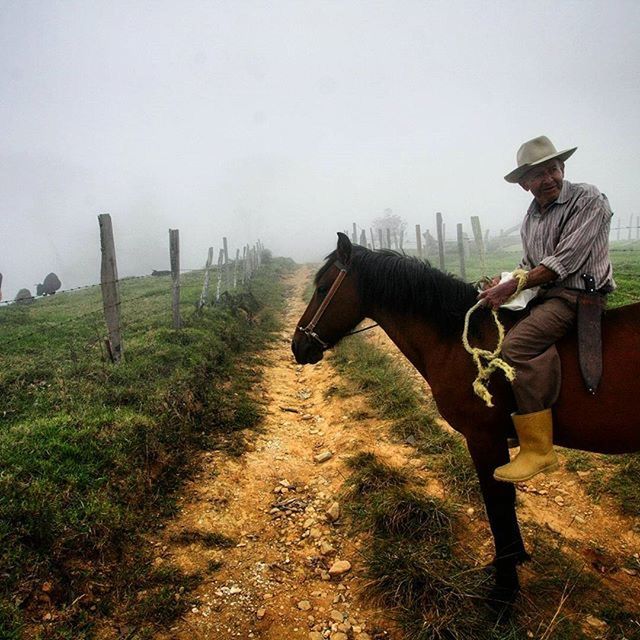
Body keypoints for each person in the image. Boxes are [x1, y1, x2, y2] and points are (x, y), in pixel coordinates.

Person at [478, 135, 615, 483]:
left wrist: (514, 285)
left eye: (553, 169)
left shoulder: (588, 200)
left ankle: (539, 449)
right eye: (538, 175)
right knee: (492, 329)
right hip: (544, 295)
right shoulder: (532, 216)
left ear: (563, 168)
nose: (549, 179)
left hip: (576, 297)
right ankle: (518, 421)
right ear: (525, 184)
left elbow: (564, 262)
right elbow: (530, 264)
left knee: (517, 347)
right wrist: (503, 279)